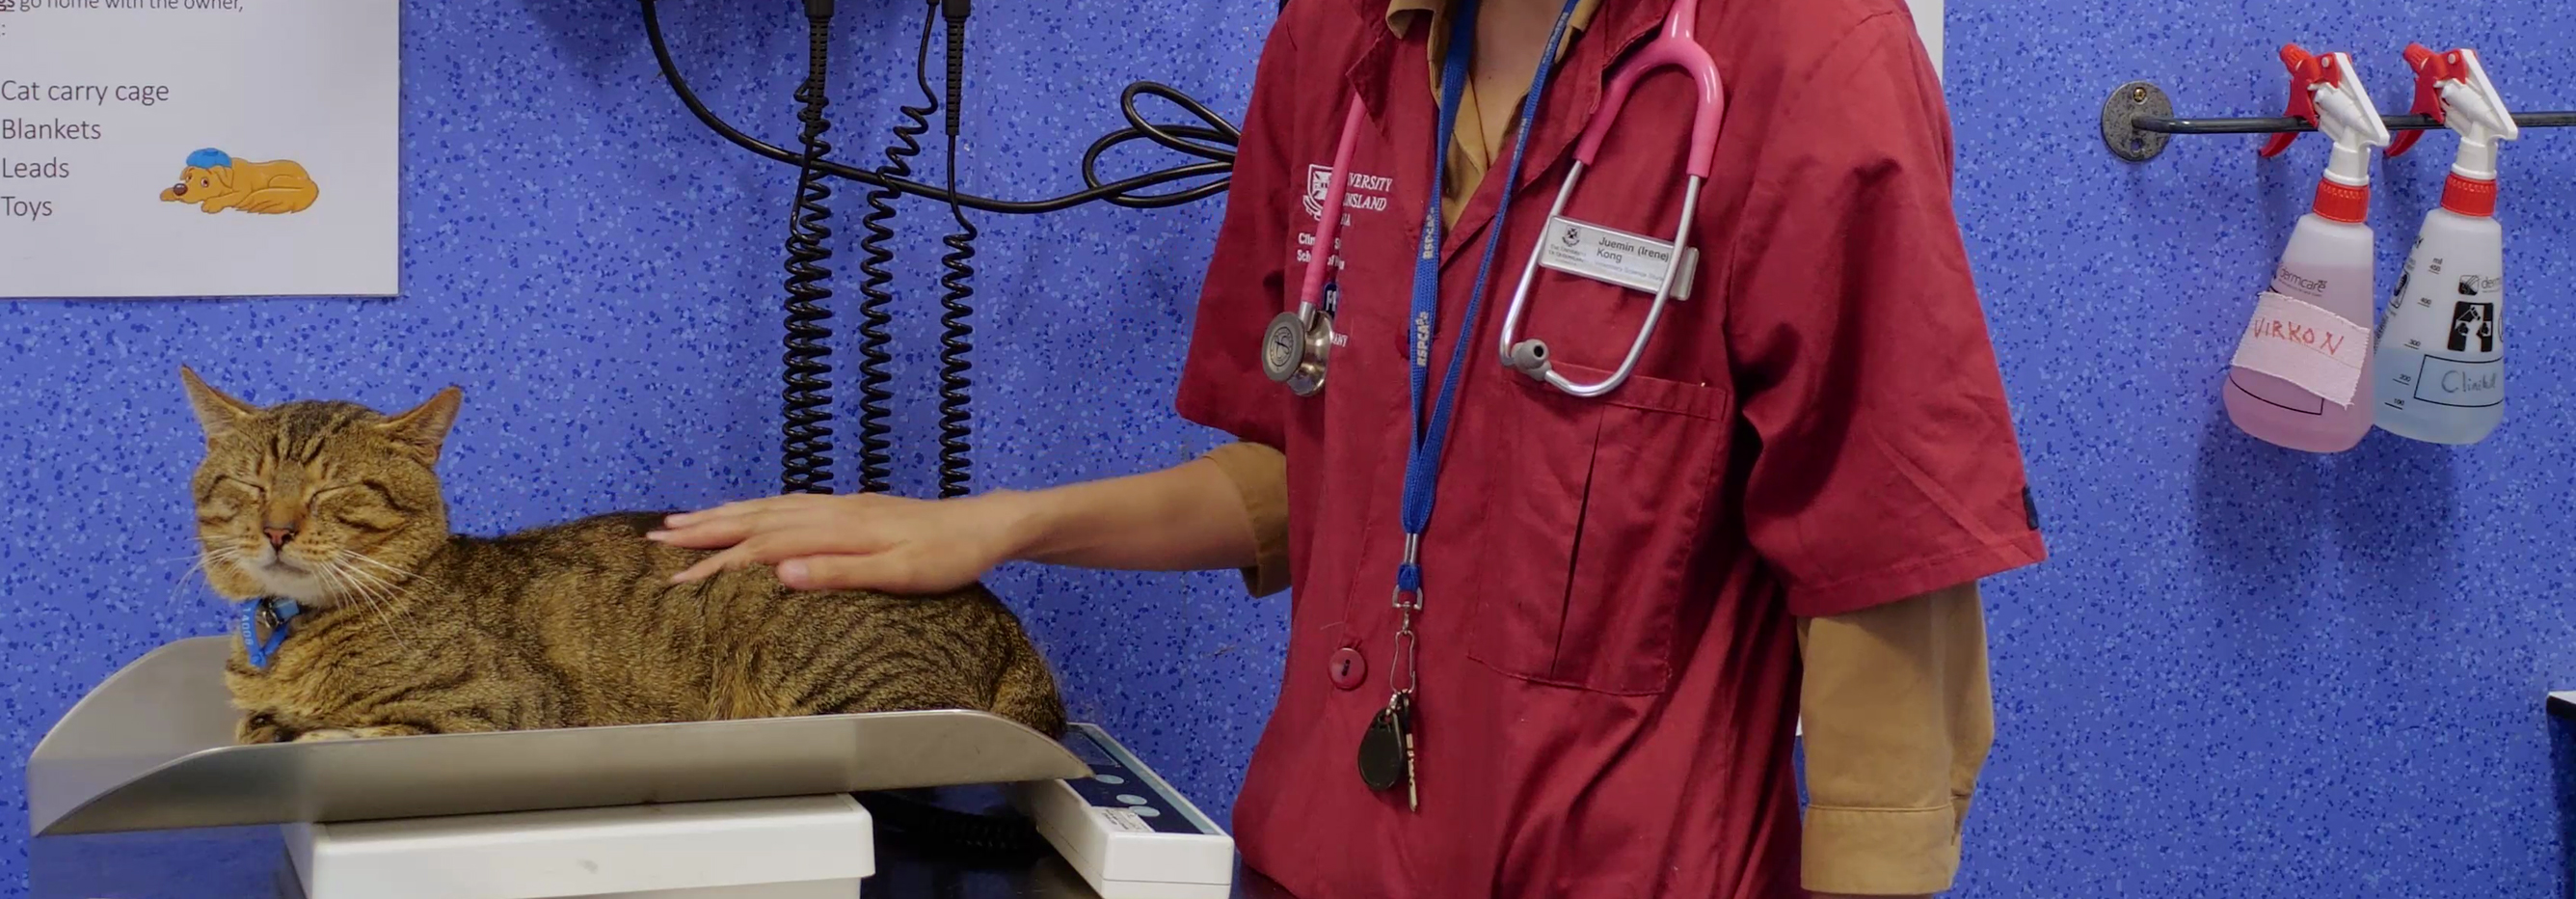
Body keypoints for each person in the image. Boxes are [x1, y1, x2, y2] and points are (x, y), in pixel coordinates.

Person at [648, 0, 2043, 897]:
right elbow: (1327, 467)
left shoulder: (1806, 56)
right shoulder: (1338, 44)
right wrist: (1000, 524)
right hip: (1316, 859)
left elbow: (1885, 556)